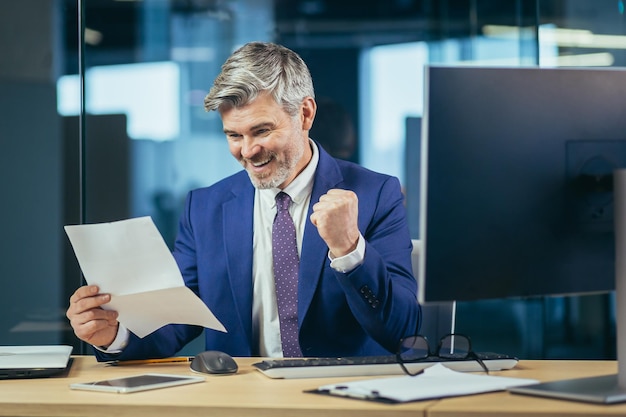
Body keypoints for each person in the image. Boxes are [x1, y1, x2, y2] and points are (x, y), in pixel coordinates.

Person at [66, 41, 421, 360]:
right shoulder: (205, 208)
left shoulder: (376, 194)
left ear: (305, 114)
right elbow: (176, 319)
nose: (248, 151)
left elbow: (401, 331)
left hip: (341, 400)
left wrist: (349, 249)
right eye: (234, 135)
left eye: (262, 130)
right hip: (241, 400)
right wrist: (113, 334)